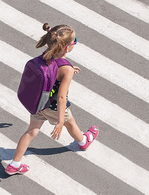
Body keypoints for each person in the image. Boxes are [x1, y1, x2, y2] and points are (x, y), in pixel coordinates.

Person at [6, 23, 99, 175]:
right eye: (74, 40)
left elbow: (53, 70)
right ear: (66, 47)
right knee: (71, 123)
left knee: (31, 131)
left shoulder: (47, 54)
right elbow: (61, 97)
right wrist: (60, 121)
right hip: (55, 107)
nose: (75, 42)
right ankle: (83, 141)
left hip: (39, 103)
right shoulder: (66, 69)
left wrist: (68, 68)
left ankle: (14, 164)